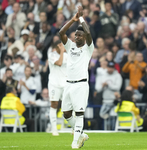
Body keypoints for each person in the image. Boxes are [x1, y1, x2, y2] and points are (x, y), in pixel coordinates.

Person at [59, 6, 94, 149]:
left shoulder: (88, 49)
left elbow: (88, 32)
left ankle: (75, 143)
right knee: (66, 114)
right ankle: (82, 134)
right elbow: (61, 32)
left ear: (84, 37)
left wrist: (81, 18)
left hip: (80, 84)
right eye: (75, 34)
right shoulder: (70, 46)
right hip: (68, 84)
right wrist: (72, 20)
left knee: (79, 114)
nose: (76, 36)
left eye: (79, 35)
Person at [48, 40, 67, 136]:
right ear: (56, 47)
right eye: (60, 45)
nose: (62, 47)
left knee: (69, 106)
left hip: (66, 84)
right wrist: (63, 52)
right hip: (54, 84)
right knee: (54, 105)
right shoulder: (52, 55)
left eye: (63, 45)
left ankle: (73, 128)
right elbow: (59, 63)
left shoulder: (68, 56)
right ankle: (54, 129)